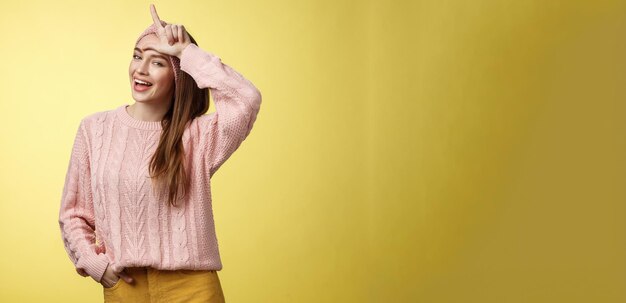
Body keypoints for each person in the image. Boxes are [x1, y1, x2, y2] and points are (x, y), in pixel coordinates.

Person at [58, 4, 261, 302]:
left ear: (178, 76)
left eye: (157, 62)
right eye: (138, 56)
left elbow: (246, 99)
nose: (140, 69)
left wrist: (187, 53)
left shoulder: (198, 137)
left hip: (192, 288)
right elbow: (74, 213)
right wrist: (96, 265)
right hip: (126, 287)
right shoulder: (94, 129)